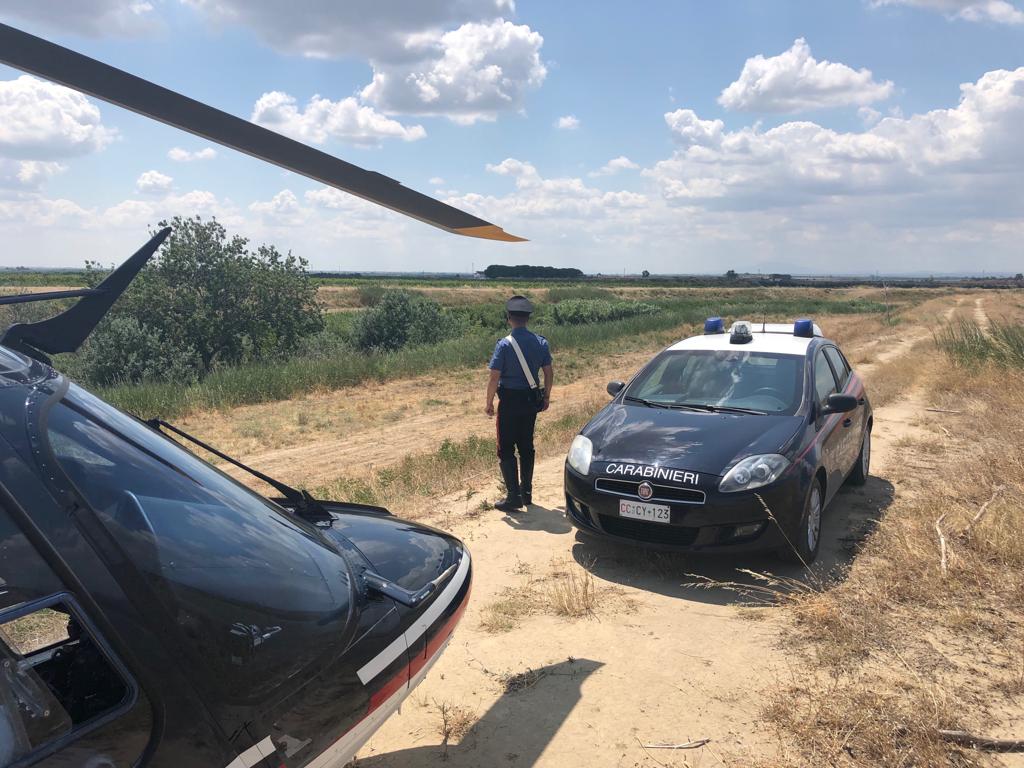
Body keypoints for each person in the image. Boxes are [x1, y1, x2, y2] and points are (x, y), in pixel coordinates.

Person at [485, 295, 553, 512]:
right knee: (526, 446)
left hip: (509, 401)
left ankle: (513, 496)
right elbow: (548, 372)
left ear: (509, 318)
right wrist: (546, 396)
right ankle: (527, 493)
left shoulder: (504, 345)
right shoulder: (541, 343)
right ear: (528, 318)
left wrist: (489, 402)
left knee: (505, 448)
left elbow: (494, 377)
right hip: (530, 401)